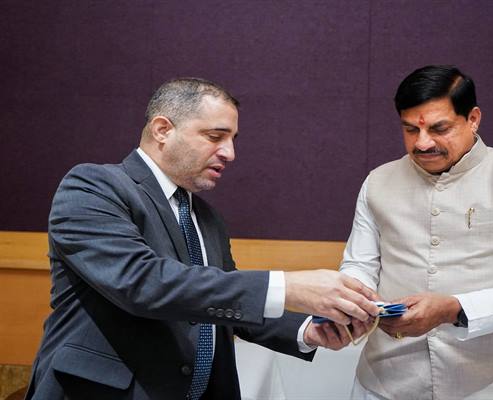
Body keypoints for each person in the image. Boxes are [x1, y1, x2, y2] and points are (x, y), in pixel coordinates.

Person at [25, 78, 379, 400]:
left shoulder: (206, 217)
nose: (230, 153)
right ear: (162, 130)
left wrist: (306, 330)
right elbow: (142, 283)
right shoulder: (93, 187)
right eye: (215, 137)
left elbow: (222, 302)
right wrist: (288, 286)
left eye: (233, 139)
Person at [340, 65, 493, 399]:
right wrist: (355, 300)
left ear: (473, 118)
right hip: (386, 383)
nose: (422, 143)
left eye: (439, 128)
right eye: (410, 129)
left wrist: (454, 308)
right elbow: (359, 265)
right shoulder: (377, 182)